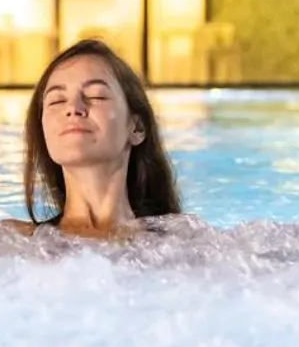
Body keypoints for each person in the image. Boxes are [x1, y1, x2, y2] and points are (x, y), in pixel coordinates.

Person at [18, 38, 182, 237]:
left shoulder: (184, 243)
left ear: (137, 127)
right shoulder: (11, 242)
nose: (72, 109)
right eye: (57, 101)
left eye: (96, 96)